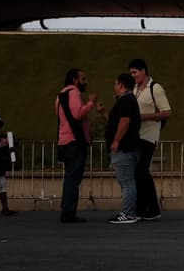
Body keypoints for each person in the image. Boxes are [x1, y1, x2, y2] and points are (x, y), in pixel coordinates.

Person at [127, 58, 171, 221]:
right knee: (139, 173)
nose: (133, 75)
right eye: (131, 73)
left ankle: (152, 209)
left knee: (141, 171)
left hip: (149, 136)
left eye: (135, 72)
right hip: (136, 135)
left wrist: (144, 117)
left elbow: (166, 112)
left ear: (143, 71)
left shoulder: (155, 88)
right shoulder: (135, 88)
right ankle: (142, 208)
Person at [55, 68, 100, 224]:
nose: (85, 82)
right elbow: (78, 114)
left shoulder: (61, 94)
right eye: (83, 79)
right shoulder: (74, 93)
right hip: (74, 141)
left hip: (65, 140)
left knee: (70, 177)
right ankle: (68, 212)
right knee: (73, 178)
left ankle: (67, 210)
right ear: (75, 80)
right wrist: (91, 102)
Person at [106, 73, 142, 225]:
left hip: (124, 148)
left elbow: (124, 121)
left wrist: (116, 141)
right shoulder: (128, 100)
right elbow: (116, 121)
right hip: (129, 146)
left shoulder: (126, 100)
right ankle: (131, 211)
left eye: (115, 84)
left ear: (121, 85)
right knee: (129, 181)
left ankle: (128, 213)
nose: (114, 87)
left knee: (126, 182)